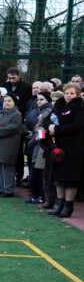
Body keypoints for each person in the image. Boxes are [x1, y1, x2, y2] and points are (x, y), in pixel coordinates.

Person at [42, 83, 84, 218]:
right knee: (58, 178)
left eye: (72, 93)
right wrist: (50, 126)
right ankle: (59, 205)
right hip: (57, 146)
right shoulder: (58, 106)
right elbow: (46, 121)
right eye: (67, 93)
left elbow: (77, 125)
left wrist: (57, 129)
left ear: (77, 95)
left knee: (69, 179)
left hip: (73, 147)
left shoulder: (80, 107)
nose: (69, 95)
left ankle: (68, 206)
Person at [0, 93, 23, 197]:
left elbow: (13, 127)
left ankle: (8, 189)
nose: (6, 103)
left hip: (9, 145)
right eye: (5, 101)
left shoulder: (17, 114)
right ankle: (0, 187)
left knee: (7, 167)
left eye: (9, 101)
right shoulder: (1, 113)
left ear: (14, 102)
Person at [3, 67, 32, 186]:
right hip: (7, 118)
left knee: (20, 150)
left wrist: (15, 110)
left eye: (13, 78)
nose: (11, 80)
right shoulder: (5, 86)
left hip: (21, 119)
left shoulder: (26, 87)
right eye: (9, 78)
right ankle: (9, 176)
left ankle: (20, 176)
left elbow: (26, 104)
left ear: (19, 76)